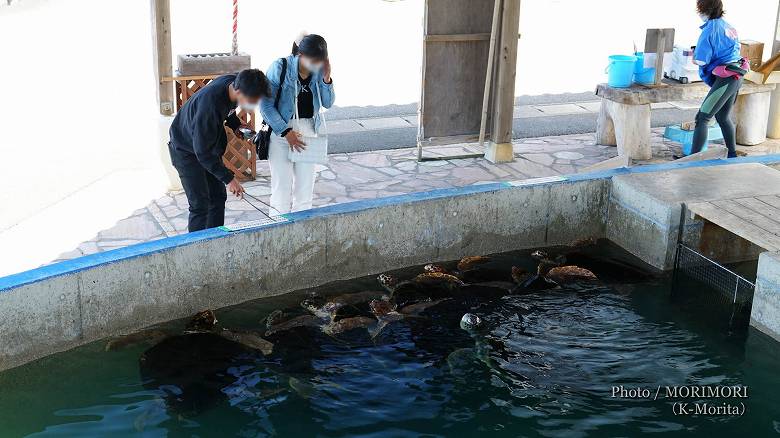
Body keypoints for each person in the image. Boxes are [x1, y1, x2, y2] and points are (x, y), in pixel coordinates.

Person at [168, 69, 270, 232]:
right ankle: (197, 250)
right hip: (185, 151)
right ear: (238, 91)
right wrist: (230, 179)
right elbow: (203, 153)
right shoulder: (209, 106)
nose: (253, 104)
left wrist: (235, 124)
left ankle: (215, 241)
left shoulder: (234, 82)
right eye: (252, 100)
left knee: (218, 197)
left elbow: (228, 110)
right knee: (199, 205)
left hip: (205, 147)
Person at [261, 33, 335, 214]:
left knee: (304, 192)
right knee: (281, 192)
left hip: (308, 131)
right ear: (300, 55)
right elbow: (265, 105)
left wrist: (327, 79)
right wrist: (286, 132)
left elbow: (327, 103)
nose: (316, 64)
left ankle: (302, 238)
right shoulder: (280, 67)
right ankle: (278, 235)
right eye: (313, 60)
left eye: (320, 61)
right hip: (281, 133)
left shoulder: (319, 71)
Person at [689, 0, 743, 158]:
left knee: (702, 118)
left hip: (726, 78)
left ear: (704, 8)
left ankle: (692, 160)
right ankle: (732, 155)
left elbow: (701, 60)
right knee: (722, 116)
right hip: (736, 74)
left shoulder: (709, 30)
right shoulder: (728, 26)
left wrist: (694, 56)